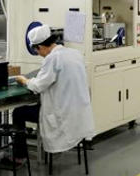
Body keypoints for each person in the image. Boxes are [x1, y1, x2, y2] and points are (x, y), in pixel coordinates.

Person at [14, 24, 95, 154]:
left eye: (37, 51)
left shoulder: (52, 59)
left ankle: (20, 156)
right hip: (77, 113)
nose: (39, 55)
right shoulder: (74, 54)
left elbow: (38, 86)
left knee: (18, 112)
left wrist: (25, 81)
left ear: (40, 47)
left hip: (62, 115)